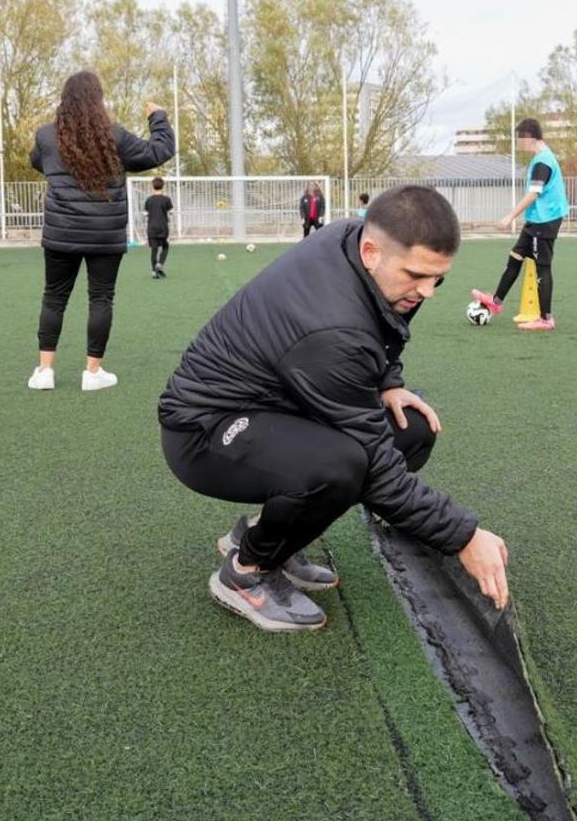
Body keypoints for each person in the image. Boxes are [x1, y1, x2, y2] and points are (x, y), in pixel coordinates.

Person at [159, 184, 510, 632]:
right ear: (371, 252)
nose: (428, 292)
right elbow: (379, 472)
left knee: (411, 429)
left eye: (437, 278)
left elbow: (385, 327)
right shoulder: (333, 328)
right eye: (416, 275)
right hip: (205, 431)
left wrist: (389, 382)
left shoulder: (358, 244)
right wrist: (463, 536)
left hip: (278, 399)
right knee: (342, 465)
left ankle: (266, 531)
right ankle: (245, 573)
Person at [27, 70, 174, 391]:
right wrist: (158, 117)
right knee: (101, 299)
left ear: (64, 100)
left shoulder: (47, 136)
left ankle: (44, 372)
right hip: (104, 234)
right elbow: (158, 152)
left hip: (61, 233)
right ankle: (93, 374)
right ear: (98, 100)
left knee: (54, 298)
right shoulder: (115, 137)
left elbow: (38, 162)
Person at [471, 117, 568, 331]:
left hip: (545, 221)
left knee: (543, 267)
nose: (517, 143)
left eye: (518, 139)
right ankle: (495, 302)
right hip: (536, 220)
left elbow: (534, 194)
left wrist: (509, 217)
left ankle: (546, 319)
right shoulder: (540, 158)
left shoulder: (543, 161)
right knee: (515, 257)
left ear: (528, 137)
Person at [143, 176, 173, 279]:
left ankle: (154, 271)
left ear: (153, 186)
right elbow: (170, 212)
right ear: (163, 186)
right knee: (165, 246)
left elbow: (145, 213)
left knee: (154, 250)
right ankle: (160, 264)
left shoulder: (149, 200)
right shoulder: (166, 199)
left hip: (152, 227)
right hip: (163, 227)